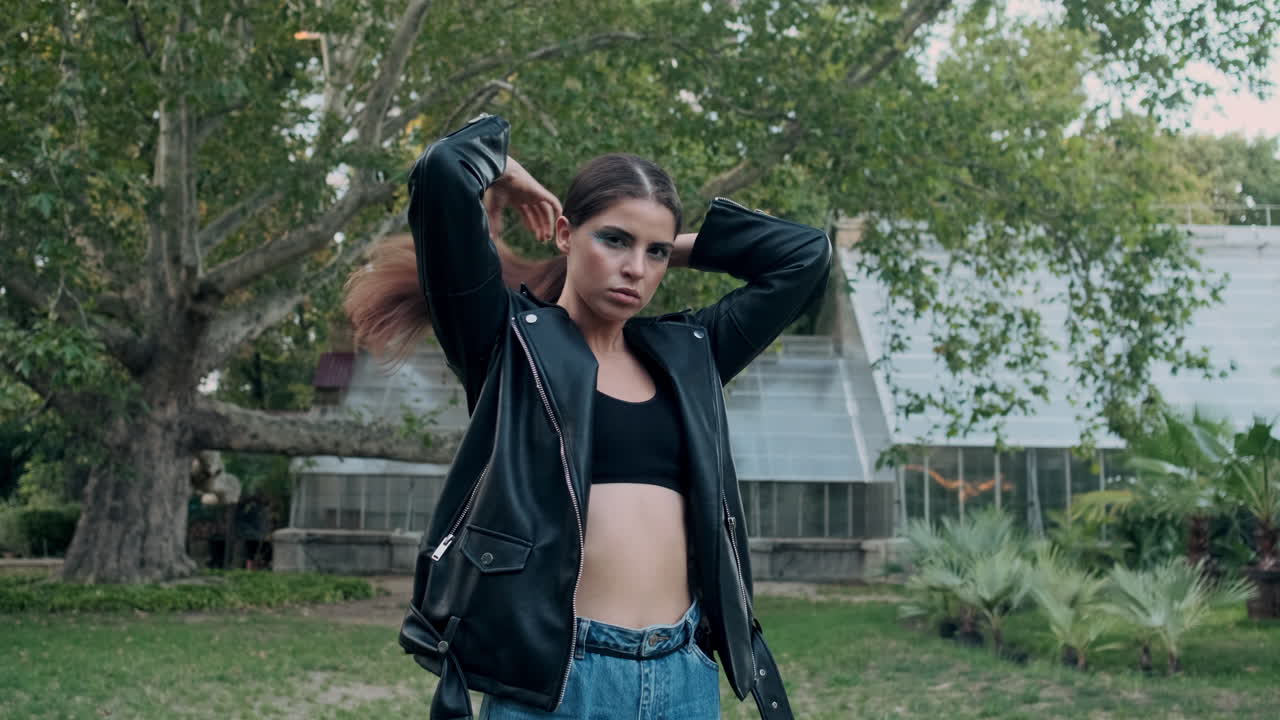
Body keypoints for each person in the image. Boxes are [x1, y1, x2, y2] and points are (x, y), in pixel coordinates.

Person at [343, 114, 830, 720]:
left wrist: (663, 245)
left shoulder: (690, 352)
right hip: (560, 682)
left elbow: (804, 257)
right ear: (566, 233)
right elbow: (445, 170)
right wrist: (508, 170)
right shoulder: (508, 344)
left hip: (682, 674)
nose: (637, 270)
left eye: (654, 253)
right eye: (615, 241)